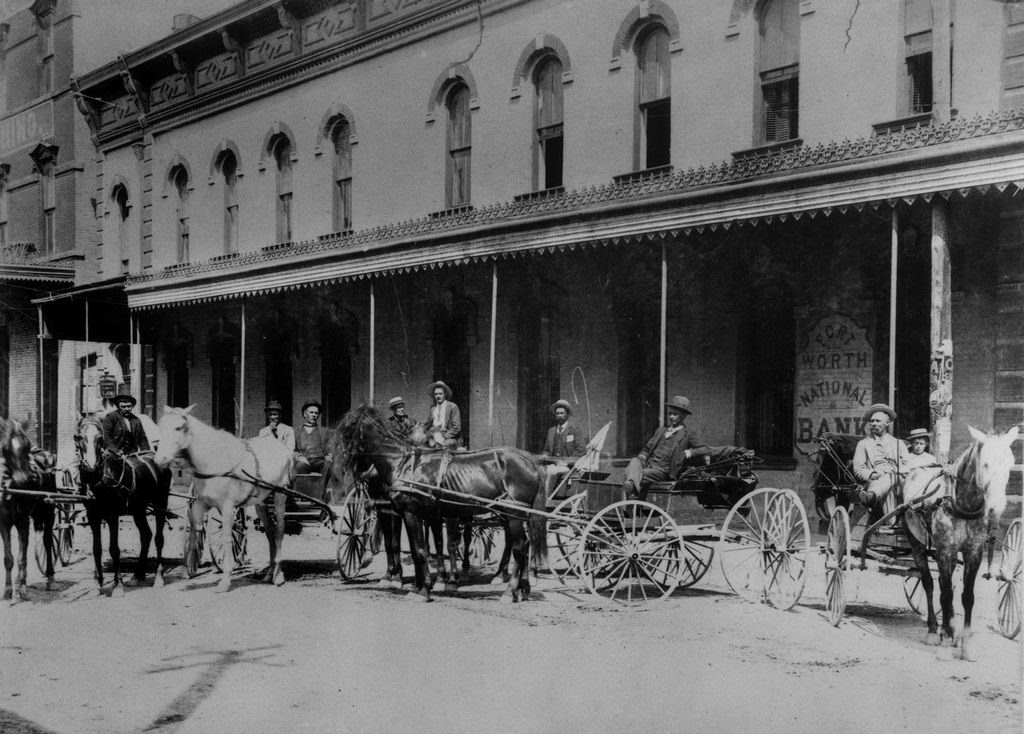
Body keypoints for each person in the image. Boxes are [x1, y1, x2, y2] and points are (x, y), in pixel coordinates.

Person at [622, 395, 709, 500]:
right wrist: (642, 457)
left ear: (683, 416)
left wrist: (688, 453)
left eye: (675, 414)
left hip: (665, 471)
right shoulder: (661, 431)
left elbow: (704, 449)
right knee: (634, 461)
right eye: (670, 414)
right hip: (648, 466)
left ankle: (632, 494)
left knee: (634, 474)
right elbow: (646, 449)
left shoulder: (689, 434)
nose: (671, 417)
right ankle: (631, 491)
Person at [852, 403, 907, 515]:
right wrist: (873, 474)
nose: (873, 424)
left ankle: (872, 496)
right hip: (875, 479)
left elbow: (908, 466)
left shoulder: (898, 443)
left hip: (898, 478)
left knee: (890, 477)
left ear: (887, 423)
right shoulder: (863, 444)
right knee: (886, 480)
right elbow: (858, 469)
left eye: (877, 421)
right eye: (871, 421)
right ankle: (890, 524)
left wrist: (895, 471)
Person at [99, 388, 150, 455]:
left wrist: (146, 454)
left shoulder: (136, 420)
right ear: (118, 407)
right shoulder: (111, 417)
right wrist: (116, 451)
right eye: (123, 407)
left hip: (131, 455)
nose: (127, 409)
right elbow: (106, 437)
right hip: (114, 455)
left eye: (129, 406)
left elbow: (143, 439)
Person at [294, 400, 332, 473]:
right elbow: (293, 449)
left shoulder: (324, 431)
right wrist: (299, 457)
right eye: (311, 412)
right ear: (305, 414)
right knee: (299, 467)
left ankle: (322, 485)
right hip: (304, 461)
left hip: (320, 461)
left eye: (316, 413)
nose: (314, 415)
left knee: (328, 467)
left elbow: (331, 446)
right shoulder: (296, 431)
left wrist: (329, 455)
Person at [425, 381, 461, 449]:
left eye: (440, 394)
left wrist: (443, 436)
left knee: (445, 445)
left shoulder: (452, 407)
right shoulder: (432, 409)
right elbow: (427, 425)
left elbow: (456, 428)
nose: (438, 396)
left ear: (445, 394)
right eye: (436, 394)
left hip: (448, 438)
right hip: (433, 437)